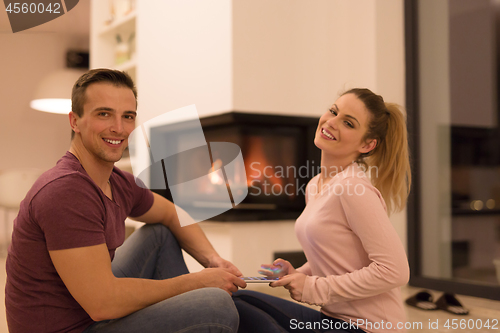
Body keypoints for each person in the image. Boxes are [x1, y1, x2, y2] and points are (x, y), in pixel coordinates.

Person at [5, 68, 246, 333]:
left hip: (89, 312)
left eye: (127, 116)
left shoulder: (118, 181)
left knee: (159, 235)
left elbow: (170, 213)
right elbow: (103, 303)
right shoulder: (66, 191)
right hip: (73, 327)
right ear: (74, 121)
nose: (119, 128)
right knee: (215, 306)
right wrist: (196, 283)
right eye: (104, 114)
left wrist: (213, 260)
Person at [233, 88, 411, 333]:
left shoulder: (353, 189)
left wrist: (313, 288)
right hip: (333, 319)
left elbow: (395, 271)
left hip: (369, 328)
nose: (332, 122)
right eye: (333, 111)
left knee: (239, 307)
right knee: (237, 302)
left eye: (348, 123)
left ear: (367, 144)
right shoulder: (316, 184)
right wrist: (297, 273)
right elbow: (337, 259)